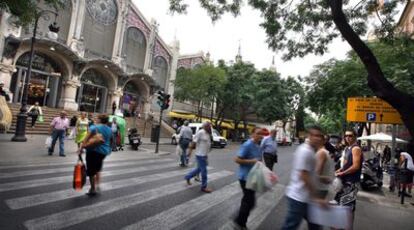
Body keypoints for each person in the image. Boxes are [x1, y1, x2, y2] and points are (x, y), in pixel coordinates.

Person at [281, 125, 326, 230]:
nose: (318, 138)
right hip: (299, 197)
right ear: (309, 136)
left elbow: (310, 173)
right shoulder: (305, 151)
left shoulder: (311, 150)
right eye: (315, 135)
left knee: (315, 225)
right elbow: (304, 176)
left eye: (319, 136)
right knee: (290, 226)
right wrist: (316, 197)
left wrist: (321, 178)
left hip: (307, 198)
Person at [233, 127, 264, 229]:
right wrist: (251, 161)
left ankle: (239, 220)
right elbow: (237, 159)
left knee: (249, 201)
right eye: (258, 133)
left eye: (261, 134)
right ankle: (240, 222)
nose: (260, 135)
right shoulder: (247, 144)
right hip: (245, 178)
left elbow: (258, 160)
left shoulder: (258, 146)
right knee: (249, 201)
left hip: (253, 177)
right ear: (252, 134)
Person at [334, 129, 363, 230]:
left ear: (355, 136)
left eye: (350, 135)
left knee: (348, 209)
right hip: (345, 182)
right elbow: (346, 164)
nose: (348, 137)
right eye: (346, 136)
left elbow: (355, 166)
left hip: (351, 183)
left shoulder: (355, 149)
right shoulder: (348, 148)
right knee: (343, 206)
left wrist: (342, 173)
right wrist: (340, 170)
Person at [78, 114, 112, 196]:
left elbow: (85, 139)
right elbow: (110, 141)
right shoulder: (109, 129)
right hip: (103, 152)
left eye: (97, 118)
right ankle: (97, 185)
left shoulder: (94, 127)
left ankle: (92, 189)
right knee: (97, 168)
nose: (96, 119)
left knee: (91, 171)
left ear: (100, 119)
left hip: (93, 151)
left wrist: (81, 149)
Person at [184, 121, 213, 193]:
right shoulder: (200, 132)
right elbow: (194, 142)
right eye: (209, 126)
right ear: (205, 126)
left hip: (204, 155)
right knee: (204, 171)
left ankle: (188, 177)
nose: (210, 127)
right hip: (200, 155)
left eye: (210, 126)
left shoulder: (208, 133)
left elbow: (208, 143)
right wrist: (189, 152)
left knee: (198, 169)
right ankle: (204, 187)